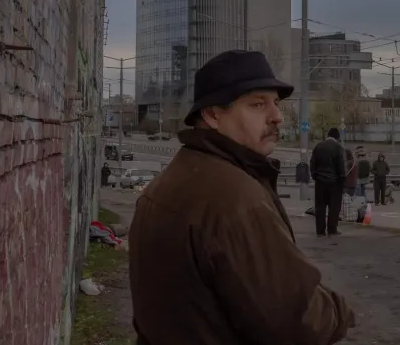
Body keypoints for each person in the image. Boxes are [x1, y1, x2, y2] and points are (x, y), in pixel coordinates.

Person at [128, 49, 355, 344]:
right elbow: (297, 321)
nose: (276, 117)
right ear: (212, 114)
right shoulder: (233, 200)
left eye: (275, 103)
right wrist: (340, 312)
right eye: (258, 104)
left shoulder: (174, 179)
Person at [311, 128, 348, 236]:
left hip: (320, 182)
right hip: (334, 182)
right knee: (334, 207)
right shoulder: (338, 148)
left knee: (320, 207)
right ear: (337, 137)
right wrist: (342, 181)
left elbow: (312, 163)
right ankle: (332, 230)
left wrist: (315, 176)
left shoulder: (318, 146)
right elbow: (341, 167)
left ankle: (320, 231)